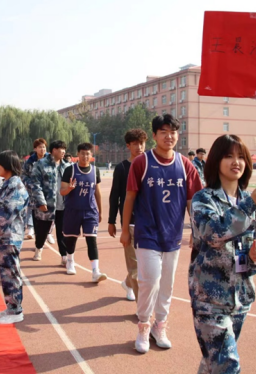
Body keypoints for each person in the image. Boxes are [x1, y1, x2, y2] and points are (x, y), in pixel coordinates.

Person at [190, 134, 256, 373]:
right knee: (227, 365)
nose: (236, 161)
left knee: (214, 364)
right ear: (216, 161)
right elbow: (212, 233)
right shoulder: (204, 199)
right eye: (229, 156)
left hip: (240, 297)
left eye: (241, 156)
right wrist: (249, 205)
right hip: (210, 299)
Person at [120, 114, 202, 353]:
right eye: (164, 132)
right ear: (154, 135)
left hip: (173, 236)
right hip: (147, 234)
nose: (169, 136)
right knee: (148, 282)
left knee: (167, 285)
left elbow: (192, 202)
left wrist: (196, 232)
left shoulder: (186, 165)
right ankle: (143, 326)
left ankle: (160, 326)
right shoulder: (142, 163)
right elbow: (130, 198)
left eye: (173, 132)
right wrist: (125, 230)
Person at [0, 150, 29, 324]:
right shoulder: (8, 183)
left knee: (11, 273)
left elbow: (6, 214)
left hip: (10, 237)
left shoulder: (15, 185)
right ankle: (11, 306)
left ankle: (16, 310)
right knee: (5, 273)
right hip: (4, 237)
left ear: (7, 165)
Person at [108, 129, 147, 302]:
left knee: (147, 264)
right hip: (129, 222)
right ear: (128, 146)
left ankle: (128, 283)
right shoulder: (122, 168)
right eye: (135, 144)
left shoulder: (149, 165)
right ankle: (142, 309)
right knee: (135, 266)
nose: (139, 147)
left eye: (142, 143)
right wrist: (111, 221)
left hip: (147, 222)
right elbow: (115, 195)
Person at [60, 143, 107, 282]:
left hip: (90, 211)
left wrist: (100, 211)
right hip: (72, 210)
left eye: (88, 154)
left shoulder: (95, 171)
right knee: (71, 239)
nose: (85, 156)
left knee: (92, 240)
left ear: (91, 155)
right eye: (82, 153)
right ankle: (70, 260)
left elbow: (97, 192)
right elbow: (62, 191)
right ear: (78, 154)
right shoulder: (70, 170)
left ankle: (95, 271)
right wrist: (70, 188)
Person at [29, 140, 69, 263]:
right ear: (53, 151)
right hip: (47, 204)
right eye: (60, 149)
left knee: (63, 232)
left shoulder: (67, 166)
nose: (63, 151)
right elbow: (35, 184)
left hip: (63, 204)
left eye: (64, 149)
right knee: (42, 231)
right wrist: (41, 201)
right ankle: (38, 247)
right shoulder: (40, 164)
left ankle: (64, 256)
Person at [22, 139, 49, 240]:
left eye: (44, 147)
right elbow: (24, 175)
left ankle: (48, 232)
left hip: (47, 190)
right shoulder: (29, 162)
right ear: (35, 149)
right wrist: (30, 184)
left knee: (49, 211)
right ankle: (31, 228)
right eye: (40, 147)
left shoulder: (50, 160)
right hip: (33, 190)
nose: (42, 149)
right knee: (32, 209)